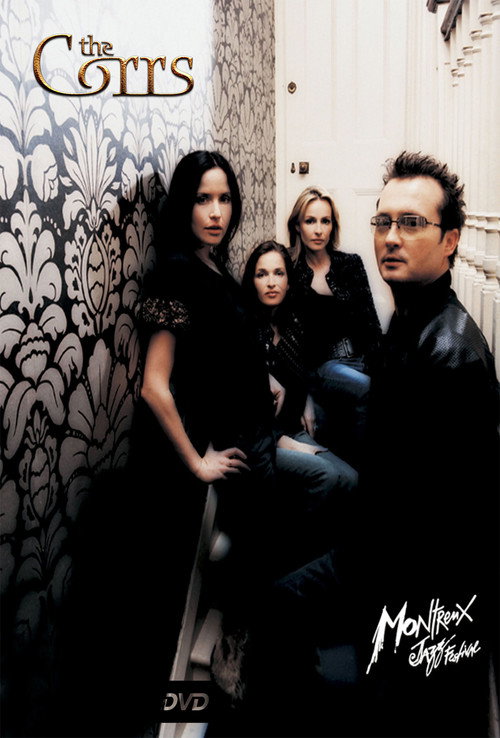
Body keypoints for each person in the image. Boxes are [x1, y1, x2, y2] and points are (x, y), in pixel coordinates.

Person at [246, 152, 499, 738]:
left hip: (413, 582)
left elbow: (451, 521)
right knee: (277, 611)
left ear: (451, 240)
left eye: (411, 223)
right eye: (383, 221)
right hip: (381, 551)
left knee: (282, 617)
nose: (391, 236)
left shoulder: (452, 355)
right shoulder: (410, 322)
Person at [129, 151, 279, 716]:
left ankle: (246, 645)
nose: (216, 212)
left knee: (270, 535)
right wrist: (196, 462)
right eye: (202, 199)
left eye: (224, 199)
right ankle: (231, 660)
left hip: (252, 424)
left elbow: (225, 346)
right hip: (221, 442)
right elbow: (154, 386)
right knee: (261, 541)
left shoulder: (213, 263)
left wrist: (265, 379)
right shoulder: (176, 271)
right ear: (183, 205)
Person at [241, 240, 358, 567]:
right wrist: (286, 442)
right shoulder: (246, 329)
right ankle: (296, 563)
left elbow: (303, 370)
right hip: (262, 440)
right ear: (252, 281)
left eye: (279, 273)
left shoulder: (293, 321)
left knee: (351, 479)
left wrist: (305, 399)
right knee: (325, 475)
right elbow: (244, 408)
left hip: (291, 428)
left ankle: (333, 561)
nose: (271, 282)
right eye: (262, 274)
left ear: (289, 281)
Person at [288, 186, 381, 467]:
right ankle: (366, 470)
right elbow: (290, 339)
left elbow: (370, 323)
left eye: (325, 221)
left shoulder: (350, 264)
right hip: (324, 365)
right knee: (368, 389)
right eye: (310, 221)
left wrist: (383, 365)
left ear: (333, 226)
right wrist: (304, 397)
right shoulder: (291, 270)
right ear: (297, 226)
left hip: (359, 358)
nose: (318, 230)